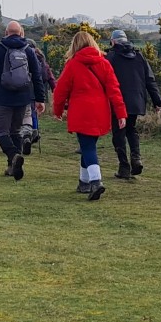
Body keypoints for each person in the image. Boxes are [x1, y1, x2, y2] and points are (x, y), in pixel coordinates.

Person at [53, 31, 127, 200]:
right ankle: (84, 182)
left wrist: (58, 111)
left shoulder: (72, 65)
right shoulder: (104, 63)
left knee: (87, 147)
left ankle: (95, 181)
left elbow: (60, 91)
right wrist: (121, 112)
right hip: (100, 111)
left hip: (80, 110)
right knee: (89, 145)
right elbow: (114, 90)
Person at [0, 21, 45, 181]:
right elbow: (37, 75)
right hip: (23, 98)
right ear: (21, 33)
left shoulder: (0, 49)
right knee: (16, 131)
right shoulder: (28, 50)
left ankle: (14, 155)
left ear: (6, 32)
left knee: (1, 131)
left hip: (3, 97)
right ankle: (12, 166)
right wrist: (40, 99)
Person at [105, 29, 161, 179]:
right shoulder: (139, 56)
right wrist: (157, 101)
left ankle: (124, 166)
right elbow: (150, 80)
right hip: (136, 100)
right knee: (131, 129)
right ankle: (136, 158)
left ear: (113, 41)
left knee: (118, 133)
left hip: (117, 101)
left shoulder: (110, 57)